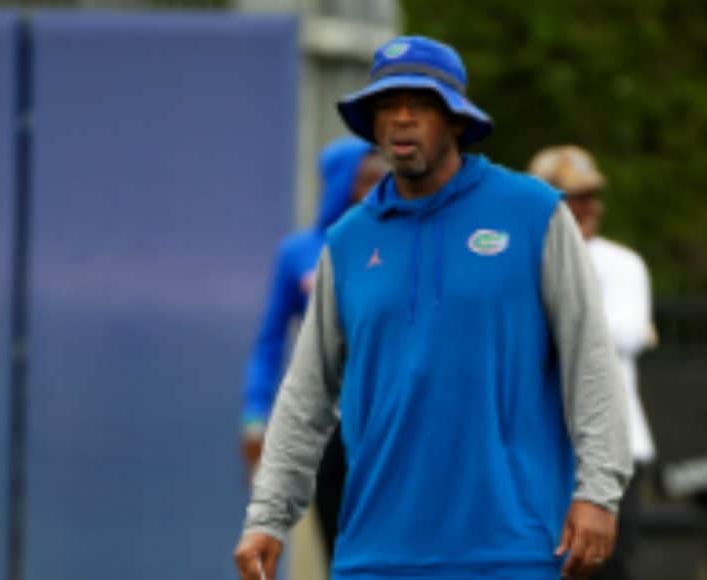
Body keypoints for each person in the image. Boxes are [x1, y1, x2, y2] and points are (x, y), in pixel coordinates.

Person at [235, 36, 632, 580]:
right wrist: (267, 517)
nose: (400, 120)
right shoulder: (347, 242)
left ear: (455, 121)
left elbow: (590, 360)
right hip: (375, 552)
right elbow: (306, 394)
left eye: (418, 105)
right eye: (386, 106)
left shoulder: (533, 213)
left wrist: (599, 491)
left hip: (512, 548)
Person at [240, 136, 385, 563]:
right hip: (330, 424)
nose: (374, 192)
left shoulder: (398, 245)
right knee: (341, 548)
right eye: (364, 181)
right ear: (341, 183)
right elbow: (270, 340)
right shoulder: (301, 251)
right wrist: (253, 415)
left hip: (388, 417)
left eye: (383, 181)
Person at [529, 145, 657, 580]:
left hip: (612, 445)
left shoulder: (621, 263)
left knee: (608, 568)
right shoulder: (518, 257)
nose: (585, 207)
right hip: (538, 446)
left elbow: (622, 334)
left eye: (590, 196)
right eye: (571, 196)